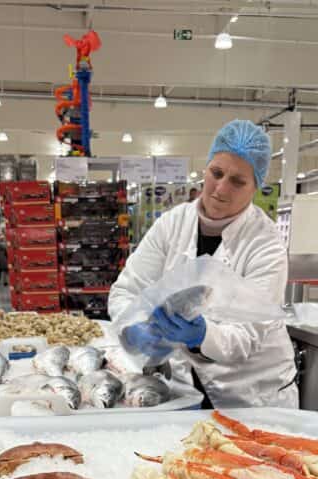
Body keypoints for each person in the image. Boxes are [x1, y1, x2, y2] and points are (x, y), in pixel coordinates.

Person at [109, 119, 296, 409]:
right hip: (186, 388)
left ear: (255, 187)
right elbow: (126, 290)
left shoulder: (266, 244)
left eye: (238, 181)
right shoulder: (172, 224)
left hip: (252, 395)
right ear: (205, 169)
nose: (221, 188)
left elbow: (246, 337)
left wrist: (202, 335)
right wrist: (133, 327)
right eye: (216, 173)